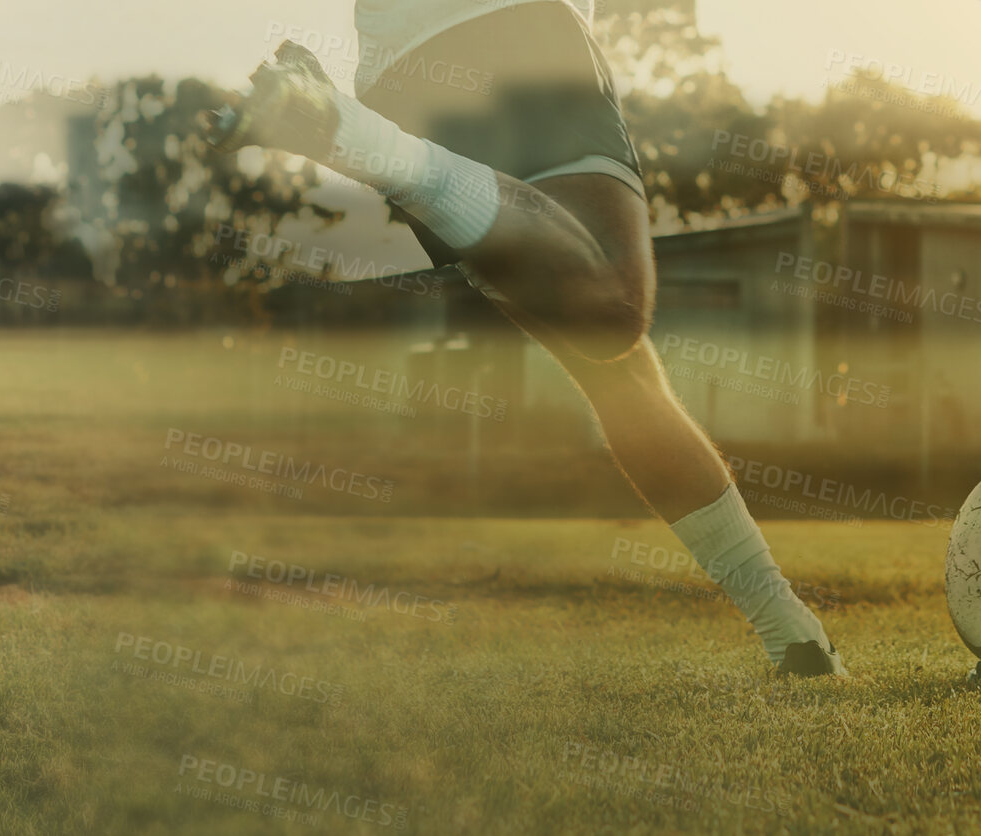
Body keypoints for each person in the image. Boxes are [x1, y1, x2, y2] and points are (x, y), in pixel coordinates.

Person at [209, 0, 844, 675]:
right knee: (616, 310)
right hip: (513, 26)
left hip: (401, 72)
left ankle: (789, 632)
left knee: (615, 368)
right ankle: (358, 139)